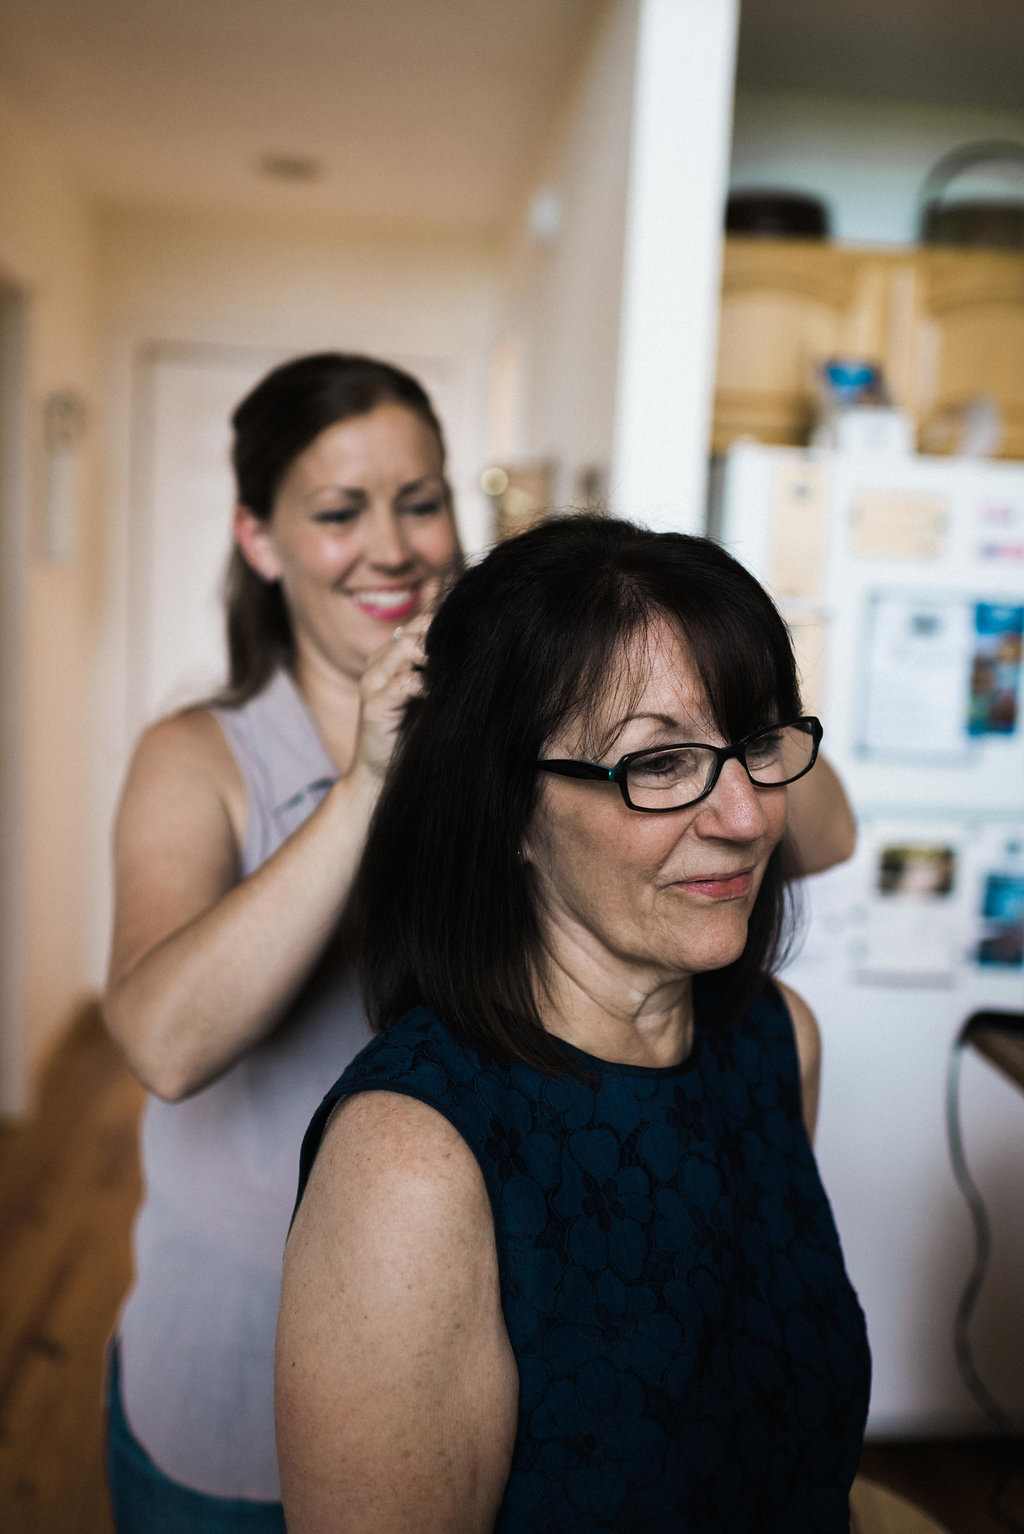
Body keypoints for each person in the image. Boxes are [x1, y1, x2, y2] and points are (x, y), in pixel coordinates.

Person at [276, 514, 871, 1534]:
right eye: (660, 763)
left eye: (757, 743)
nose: (744, 816)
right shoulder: (410, 1166)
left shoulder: (777, 1044)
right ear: (506, 805)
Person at [102, 352, 462, 1531]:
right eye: (339, 512)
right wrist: (362, 785)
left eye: (421, 500)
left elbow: (818, 833)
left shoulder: (499, 739)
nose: (395, 546)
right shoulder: (200, 756)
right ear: (259, 539)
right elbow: (163, 1039)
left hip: (459, 1373)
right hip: (229, 1396)